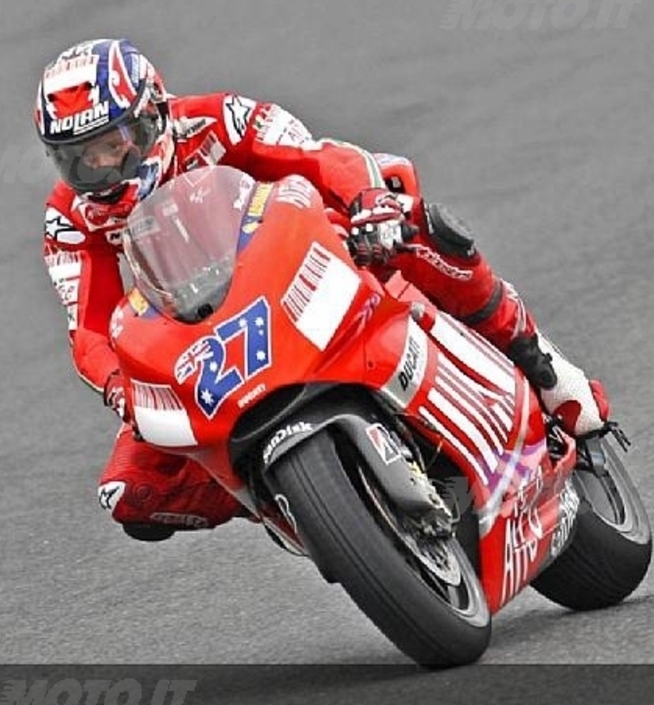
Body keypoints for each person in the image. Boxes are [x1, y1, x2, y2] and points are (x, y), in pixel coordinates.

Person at [35, 38, 611, 541]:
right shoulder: (70, 219)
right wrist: (119, 387)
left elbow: (320, 158)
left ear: (152, 117)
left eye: (113, 144)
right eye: (79, 159)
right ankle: (286, 496)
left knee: (416, 224)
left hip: (300, 254)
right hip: (203, 330)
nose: (101, 170)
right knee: (132, 493)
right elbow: (89, 329)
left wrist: (368, 202)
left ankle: (539, 363)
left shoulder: (218, 120)